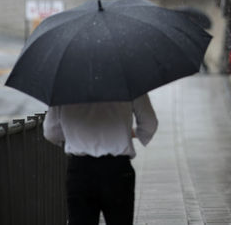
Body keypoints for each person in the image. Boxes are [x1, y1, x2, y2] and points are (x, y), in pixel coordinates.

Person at [43, 95, 158, 225]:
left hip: (81, 171)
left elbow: (50, 132)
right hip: (117, 170)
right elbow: (150, 124)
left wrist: (76, 136)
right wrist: (130, 132)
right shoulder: (130, 82)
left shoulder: (63, 88)